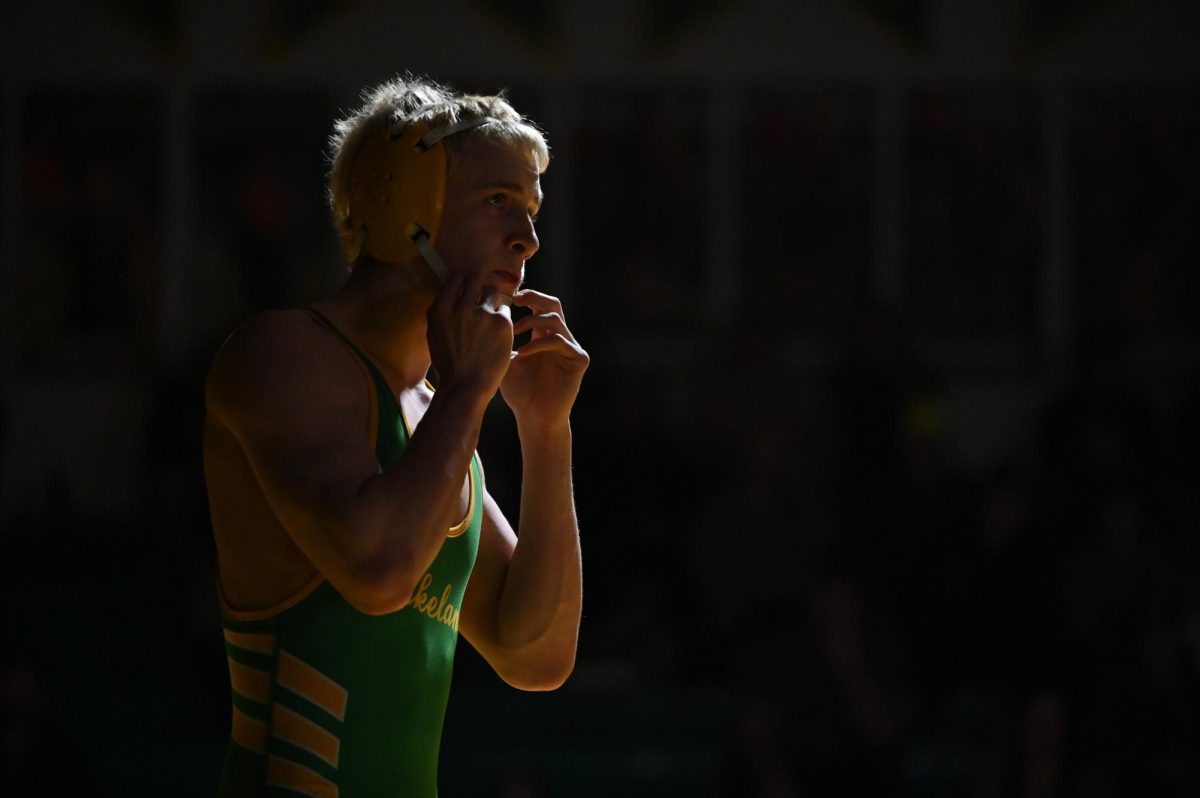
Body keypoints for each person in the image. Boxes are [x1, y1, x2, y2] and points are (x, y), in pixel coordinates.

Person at [203, 74, 587, 796]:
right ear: (404, 202)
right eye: (499, 201)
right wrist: (470, 391)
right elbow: (378, 571)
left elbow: (536, 655)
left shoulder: (437, 413)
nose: (527, 240)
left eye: (533, 213)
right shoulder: (285, 355)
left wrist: (545, 430)